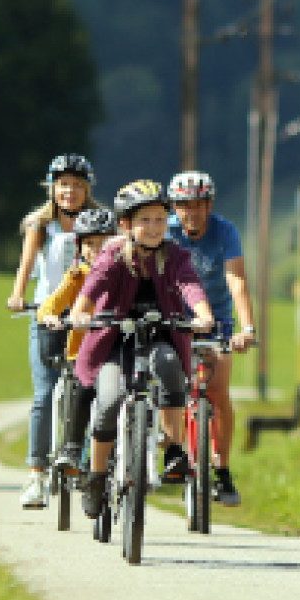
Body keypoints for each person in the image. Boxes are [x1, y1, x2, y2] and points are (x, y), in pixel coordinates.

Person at [67, 178, 213, 522]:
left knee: (170, 366)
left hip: (160, 333)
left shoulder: (174, 255)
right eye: (144, 220)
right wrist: (80, 313)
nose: (153, 227)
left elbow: (189, 285)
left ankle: (174, 449)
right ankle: (97, 477)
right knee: (109, 400)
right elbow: (92, 288)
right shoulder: (113, 254)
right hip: (113, 339)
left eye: (160, 219)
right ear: (125, 224)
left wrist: (203, 315)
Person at [6, 153, 93, 509]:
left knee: (89, 390)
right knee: (44, 394)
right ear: (52, 188)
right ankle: (36, 474)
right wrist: (17, 295)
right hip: (47, 314)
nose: (69, 191)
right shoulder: (40, 225)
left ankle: (84, 463)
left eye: (76, 185)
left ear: (87, 189)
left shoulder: (98, 223)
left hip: (86, 316)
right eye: (63, 185)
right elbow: (26, 264)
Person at [165, 170, 256, 507]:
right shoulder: (165, 231)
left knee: (217, 391)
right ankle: (173, 450)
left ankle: (223, 469)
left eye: (199, 204)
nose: (192, 212)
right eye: (184, 205)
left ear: (209, 205)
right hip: (174, 318)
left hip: (216, 320)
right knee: (170, 387)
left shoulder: (225, 231)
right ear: (175, 207)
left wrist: (247, 329)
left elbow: (236, 281)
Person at [38, 204, 117, 477]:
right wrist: (51, 317)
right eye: (90, 244)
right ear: (79, 247)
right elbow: (51, 304)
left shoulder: (124, 273)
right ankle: (72, 447)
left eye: (103, 243)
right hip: (81, 352)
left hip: (115, 351)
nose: (96, 250)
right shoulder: (76, 275)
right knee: (82, 387)